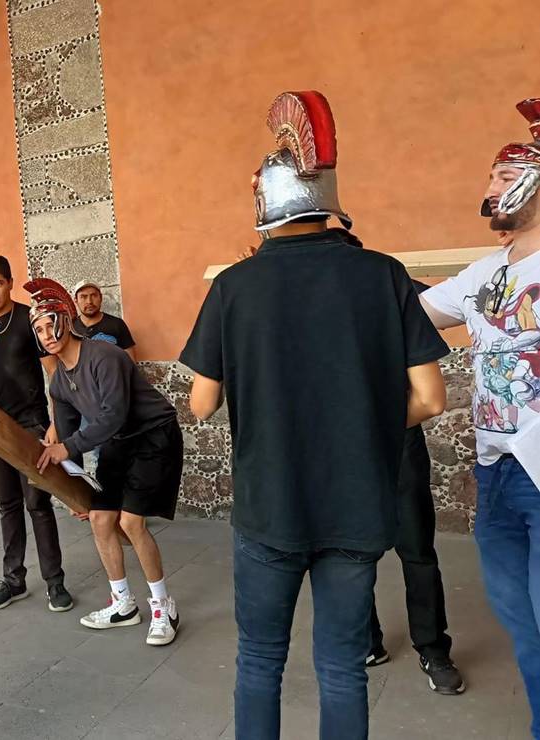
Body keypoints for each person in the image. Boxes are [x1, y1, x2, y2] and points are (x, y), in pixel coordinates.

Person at [180, 91, 449, 740]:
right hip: (355, 509)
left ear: (265, 202)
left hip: (269, 508)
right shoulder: (384, 276)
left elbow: (201, 402)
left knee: (259, 663)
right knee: (340, 669)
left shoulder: (233, 288)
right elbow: (431, 399)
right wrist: (362, 424)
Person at [418, 98, 540, 735]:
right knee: (524, 627)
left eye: (501, 175)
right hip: (496, 472)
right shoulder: (485, 272)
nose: (488, 187)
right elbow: (410, 313)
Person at [28, 278, 184, 645]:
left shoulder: (104, 355)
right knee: (99, 518)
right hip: (116, 441)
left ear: (66, 319)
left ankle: (164, 606)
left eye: (51, 323)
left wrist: (65, 450)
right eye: (38, 329)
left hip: (152, 434)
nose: (47, 334)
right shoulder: (58, 384)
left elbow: (112, 415)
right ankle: (123, 605)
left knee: (130, 522)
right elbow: (70, 442)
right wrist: (78, 489)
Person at [364, 279, 464, 695]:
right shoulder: (305, 286)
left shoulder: (387, 282)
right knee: (351, 549)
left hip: (399, 435)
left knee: (418, 549)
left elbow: (442, 305)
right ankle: (366, 640)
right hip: (340, 444)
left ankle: (433, 647)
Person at [0, 254, 72, 613]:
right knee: (7, 505)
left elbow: (55, 374)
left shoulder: (29, 320)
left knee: (38, 504)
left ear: (9, 282)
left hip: (31, 426)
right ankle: (14, 579)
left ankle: (55, 582)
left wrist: (55, 424)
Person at [71, 280, 139, 362]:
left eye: (93, 296)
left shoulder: (116, 324)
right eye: (83, 297)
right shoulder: (71, 327)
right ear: (76, 300)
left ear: (101, 298)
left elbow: (130, 360)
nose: (89, 301)